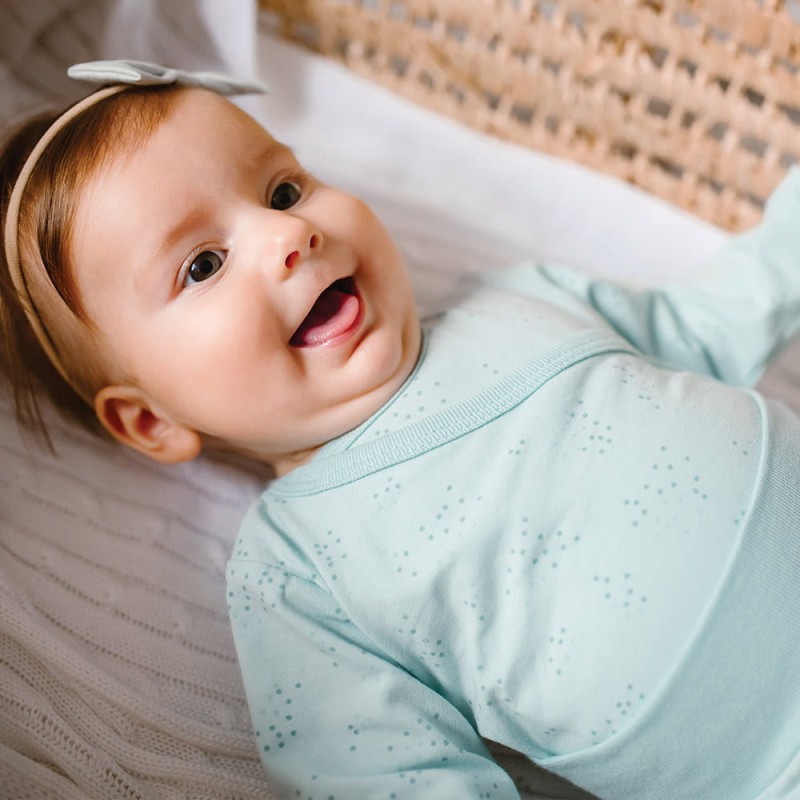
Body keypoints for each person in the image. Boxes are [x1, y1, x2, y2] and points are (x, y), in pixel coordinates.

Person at [2, 61, 799, 800]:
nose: (289, 236)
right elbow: (391, 772)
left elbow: (706, 322)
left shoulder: (518, 296)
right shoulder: (299, 568)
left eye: (282, 191)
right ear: (150, 419)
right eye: (203, 265)